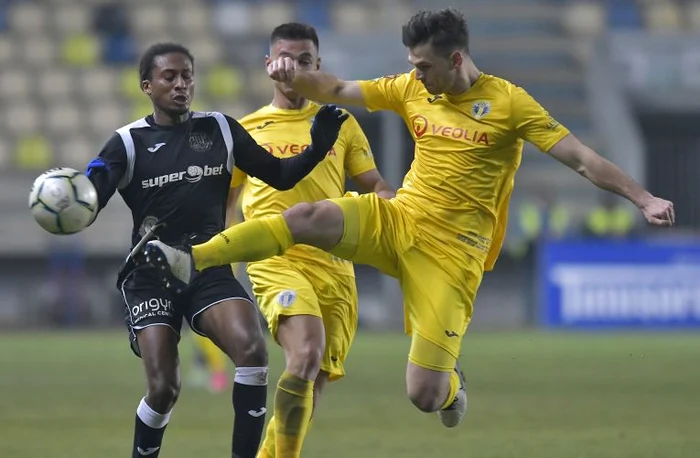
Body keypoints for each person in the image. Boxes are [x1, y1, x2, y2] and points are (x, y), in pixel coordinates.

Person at [143, 9, 675, 430]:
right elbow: (338, 91)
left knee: (423, 393)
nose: (414, 74)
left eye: (423, 65)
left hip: (453, 256)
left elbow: (582, 158)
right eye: (411, 65)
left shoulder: (510, 104)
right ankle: (193, 260)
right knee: (305, 215)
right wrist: (297, 75)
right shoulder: (411, 87)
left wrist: (642, 197)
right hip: (401, 218)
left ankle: (450, 388)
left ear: (455, 58)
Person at [82, 42, 348, 458]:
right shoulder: (127, 142)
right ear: (147, 86)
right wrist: (81, 194)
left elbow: (277, 176)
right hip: (150, 276)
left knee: (253, 350)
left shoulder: (220, 129)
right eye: (169, 77)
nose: (181, 84)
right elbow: (90, 203)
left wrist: (316, 149)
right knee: (164, 388)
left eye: (187, 75)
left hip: (206, 267)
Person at [228, 22, 394, 457]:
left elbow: (376, 185)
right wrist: (221, 259)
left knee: (313, 380)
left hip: (335, 267)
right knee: (303, 355)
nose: (294, 68)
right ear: (269, 65)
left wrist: (389, 205)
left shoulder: (339, 124)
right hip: (275, 257)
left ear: (318, 67)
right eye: (285, 58)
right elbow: (226, 205)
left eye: (305, 61)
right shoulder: (246, 130)